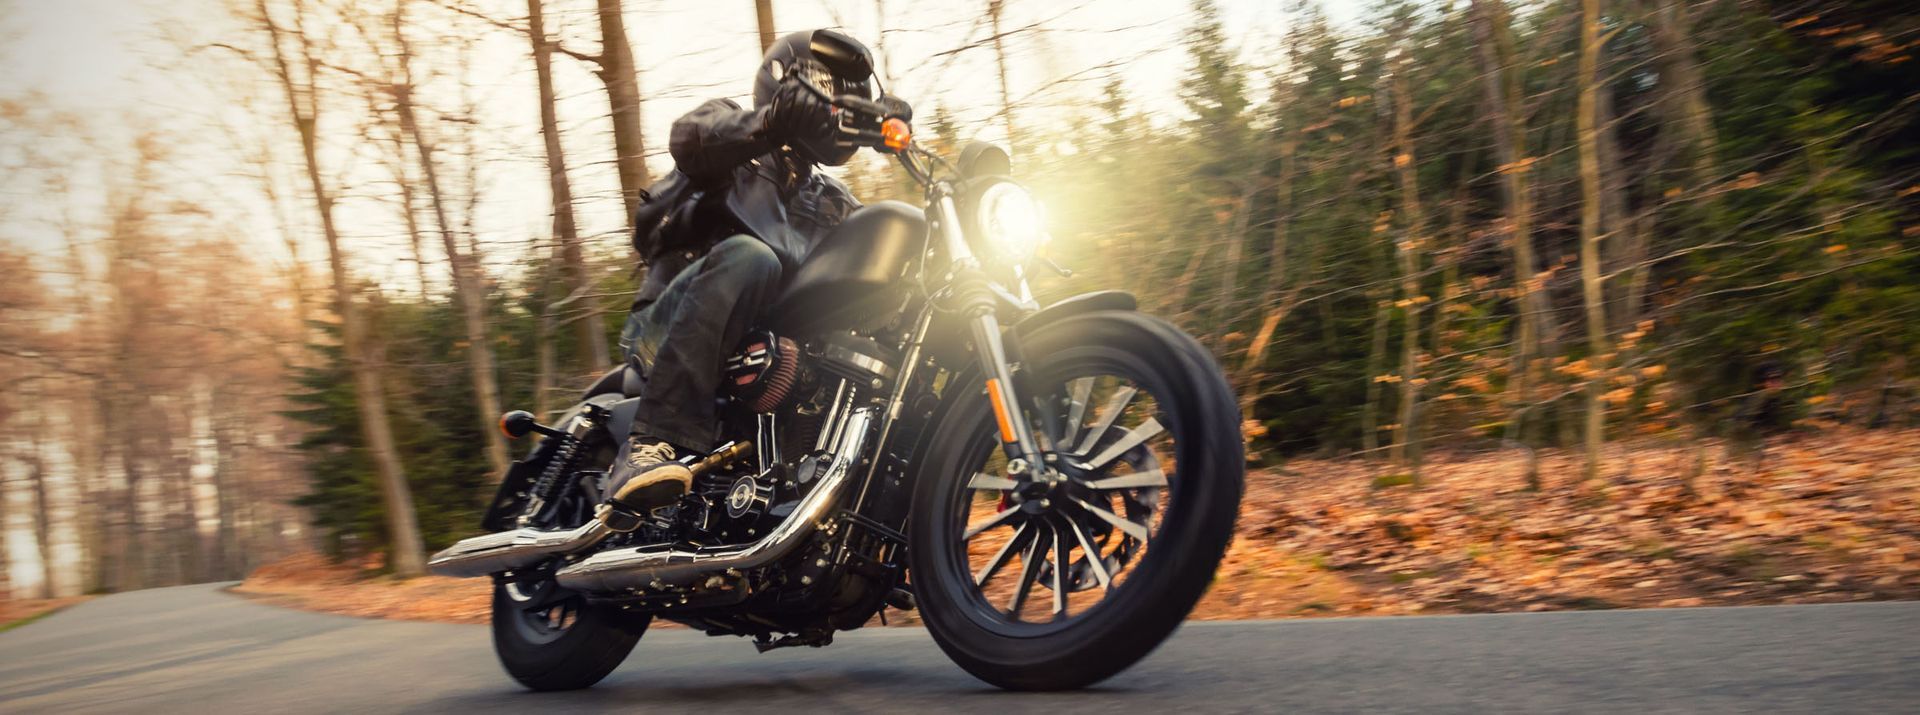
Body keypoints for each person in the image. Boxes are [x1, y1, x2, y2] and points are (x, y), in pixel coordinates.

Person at [601, 29, 874, 522]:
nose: (834, 107)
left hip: (755, 347)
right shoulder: (734, 138)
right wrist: (769, 124)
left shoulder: (834, 202)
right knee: (753, 256)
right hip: (664, 328)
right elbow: (692, 138)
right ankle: (647, 447)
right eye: (825, 91)